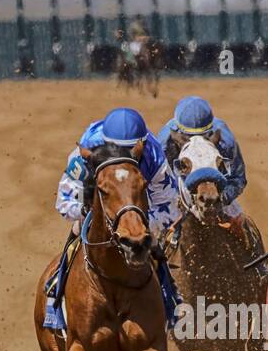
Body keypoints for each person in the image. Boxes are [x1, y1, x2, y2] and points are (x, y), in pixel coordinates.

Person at [43, 107, 182, 331]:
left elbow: (170, 205)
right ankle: (55, 293)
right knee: (77, 233)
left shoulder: (153, 154)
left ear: (141, 145)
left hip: (137, 207)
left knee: (154, 246)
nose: (123, 156)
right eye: (118, 149)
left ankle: (171, 299)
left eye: (130, 151)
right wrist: (91, 214)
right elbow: (64, 201)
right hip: (95, 210)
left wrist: (140, 222)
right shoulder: (85, 151)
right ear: (105, 143)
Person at [155, 95, 267, 272]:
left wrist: (222, 197)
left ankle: (261, 268)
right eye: (188, 137)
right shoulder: (163, 143)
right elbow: (157, 182)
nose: (196, 141)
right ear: (178, 132)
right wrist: (176, 199)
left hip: (216, 190)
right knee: (153, 229)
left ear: (210, 131)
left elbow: (238, 178)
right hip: (176, 192)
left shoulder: (225, 140)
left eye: (202, 136)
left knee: (242, 224)